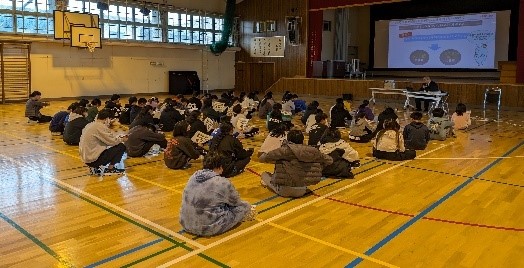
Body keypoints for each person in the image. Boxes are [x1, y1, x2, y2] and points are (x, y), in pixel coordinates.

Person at [179, 151, 255, 237]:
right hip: (207, 228)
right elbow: (236, 202)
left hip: (185, 223)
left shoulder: (194, 176)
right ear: (220, 167)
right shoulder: (222, 182)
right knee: (244, 207)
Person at [259, 130, 333, 197]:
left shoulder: (284, 150)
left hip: (284, 190)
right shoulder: (312, 151)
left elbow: (262, 158)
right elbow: (329, 160)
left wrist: (277, 159)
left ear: (288, 139)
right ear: (302, 139)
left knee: (264, 174)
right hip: (302, 189)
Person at [79, 109, 127, 175]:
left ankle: (96, 167)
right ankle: (110, 169)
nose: (110, 121)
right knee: (121, 146)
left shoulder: (90, 124)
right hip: (93, 160)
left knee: (110, 146)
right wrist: (122, 139)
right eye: (110, 119)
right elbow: (112, 141)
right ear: (107, 118)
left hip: (86, 158)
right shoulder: (100, 126)